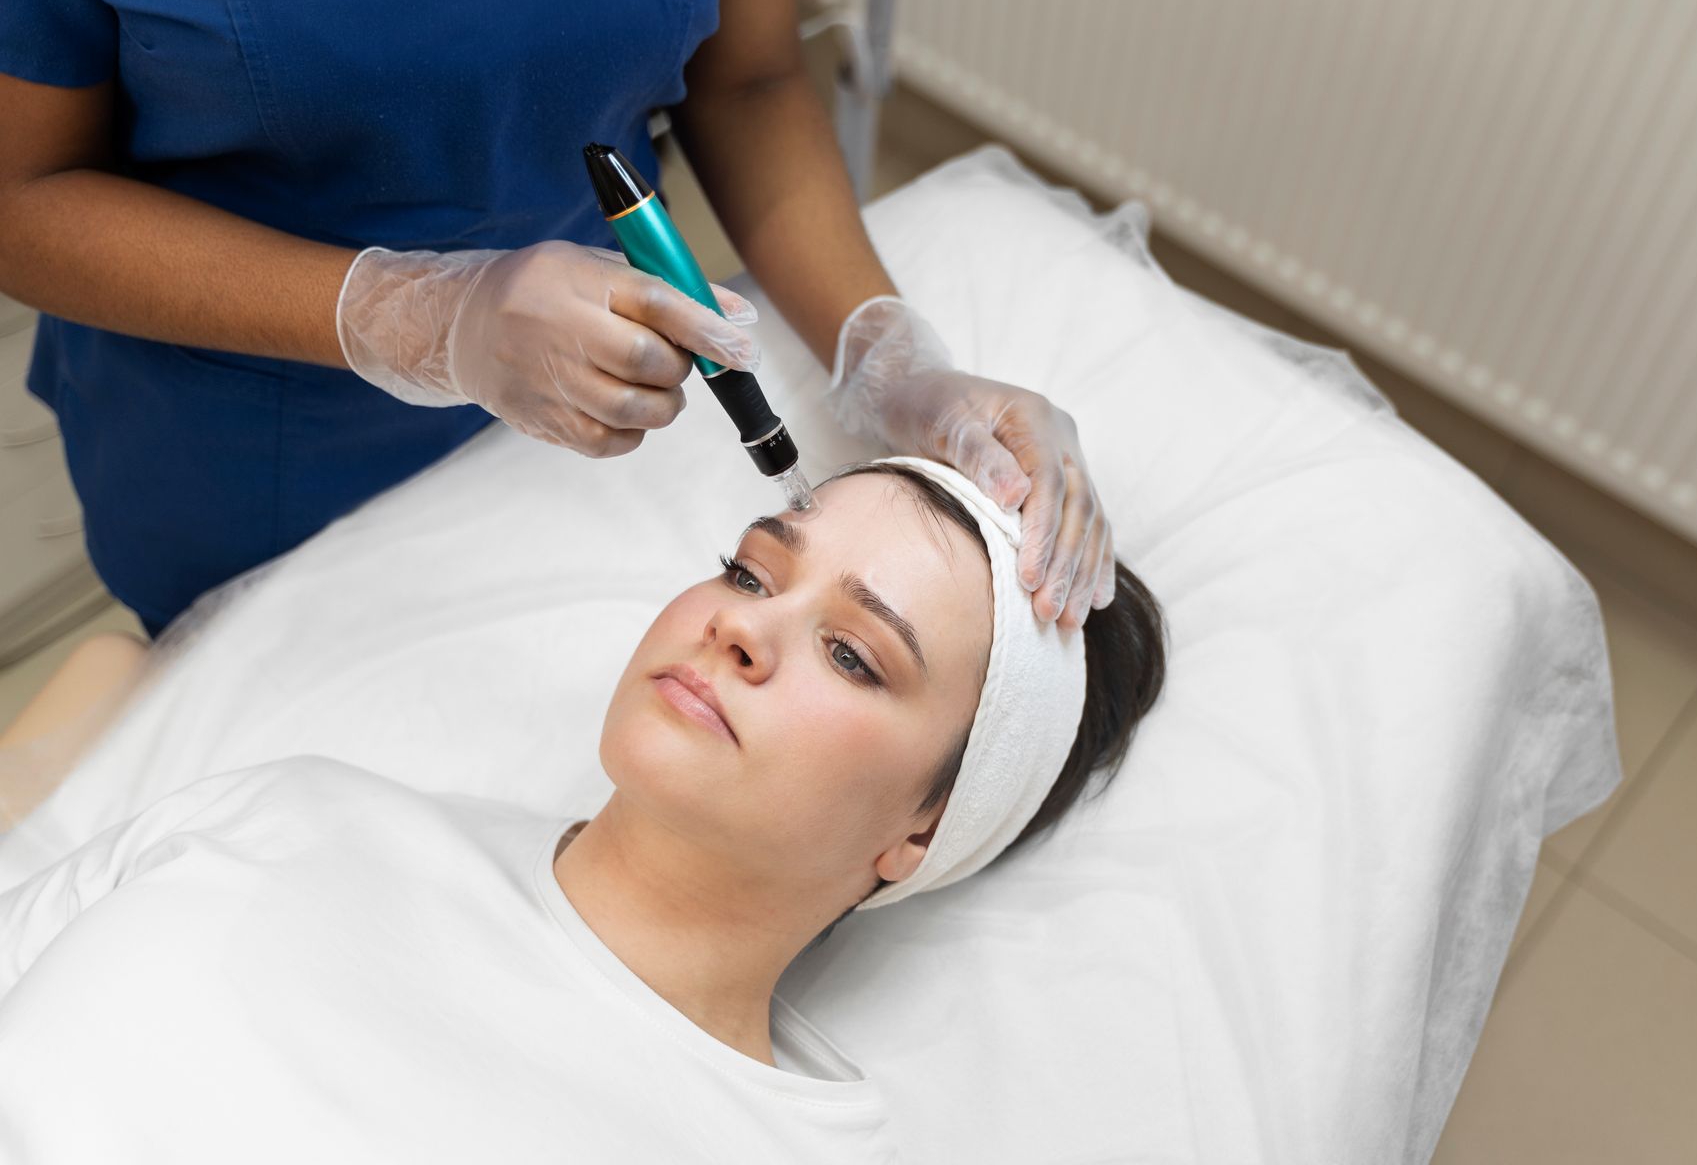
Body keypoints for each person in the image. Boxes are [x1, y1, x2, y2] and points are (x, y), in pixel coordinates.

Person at [0, 0, 1116, 641]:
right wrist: (410, 314)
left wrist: (885, 355)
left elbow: (750, 80)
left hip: (595, 420)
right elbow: (21, 197)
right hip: (249, 442)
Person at [0, 457, 1166, 1162]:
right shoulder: (302, 807)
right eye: (754, 569)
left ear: (921, 830)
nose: (742, 625)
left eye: (855, 654)